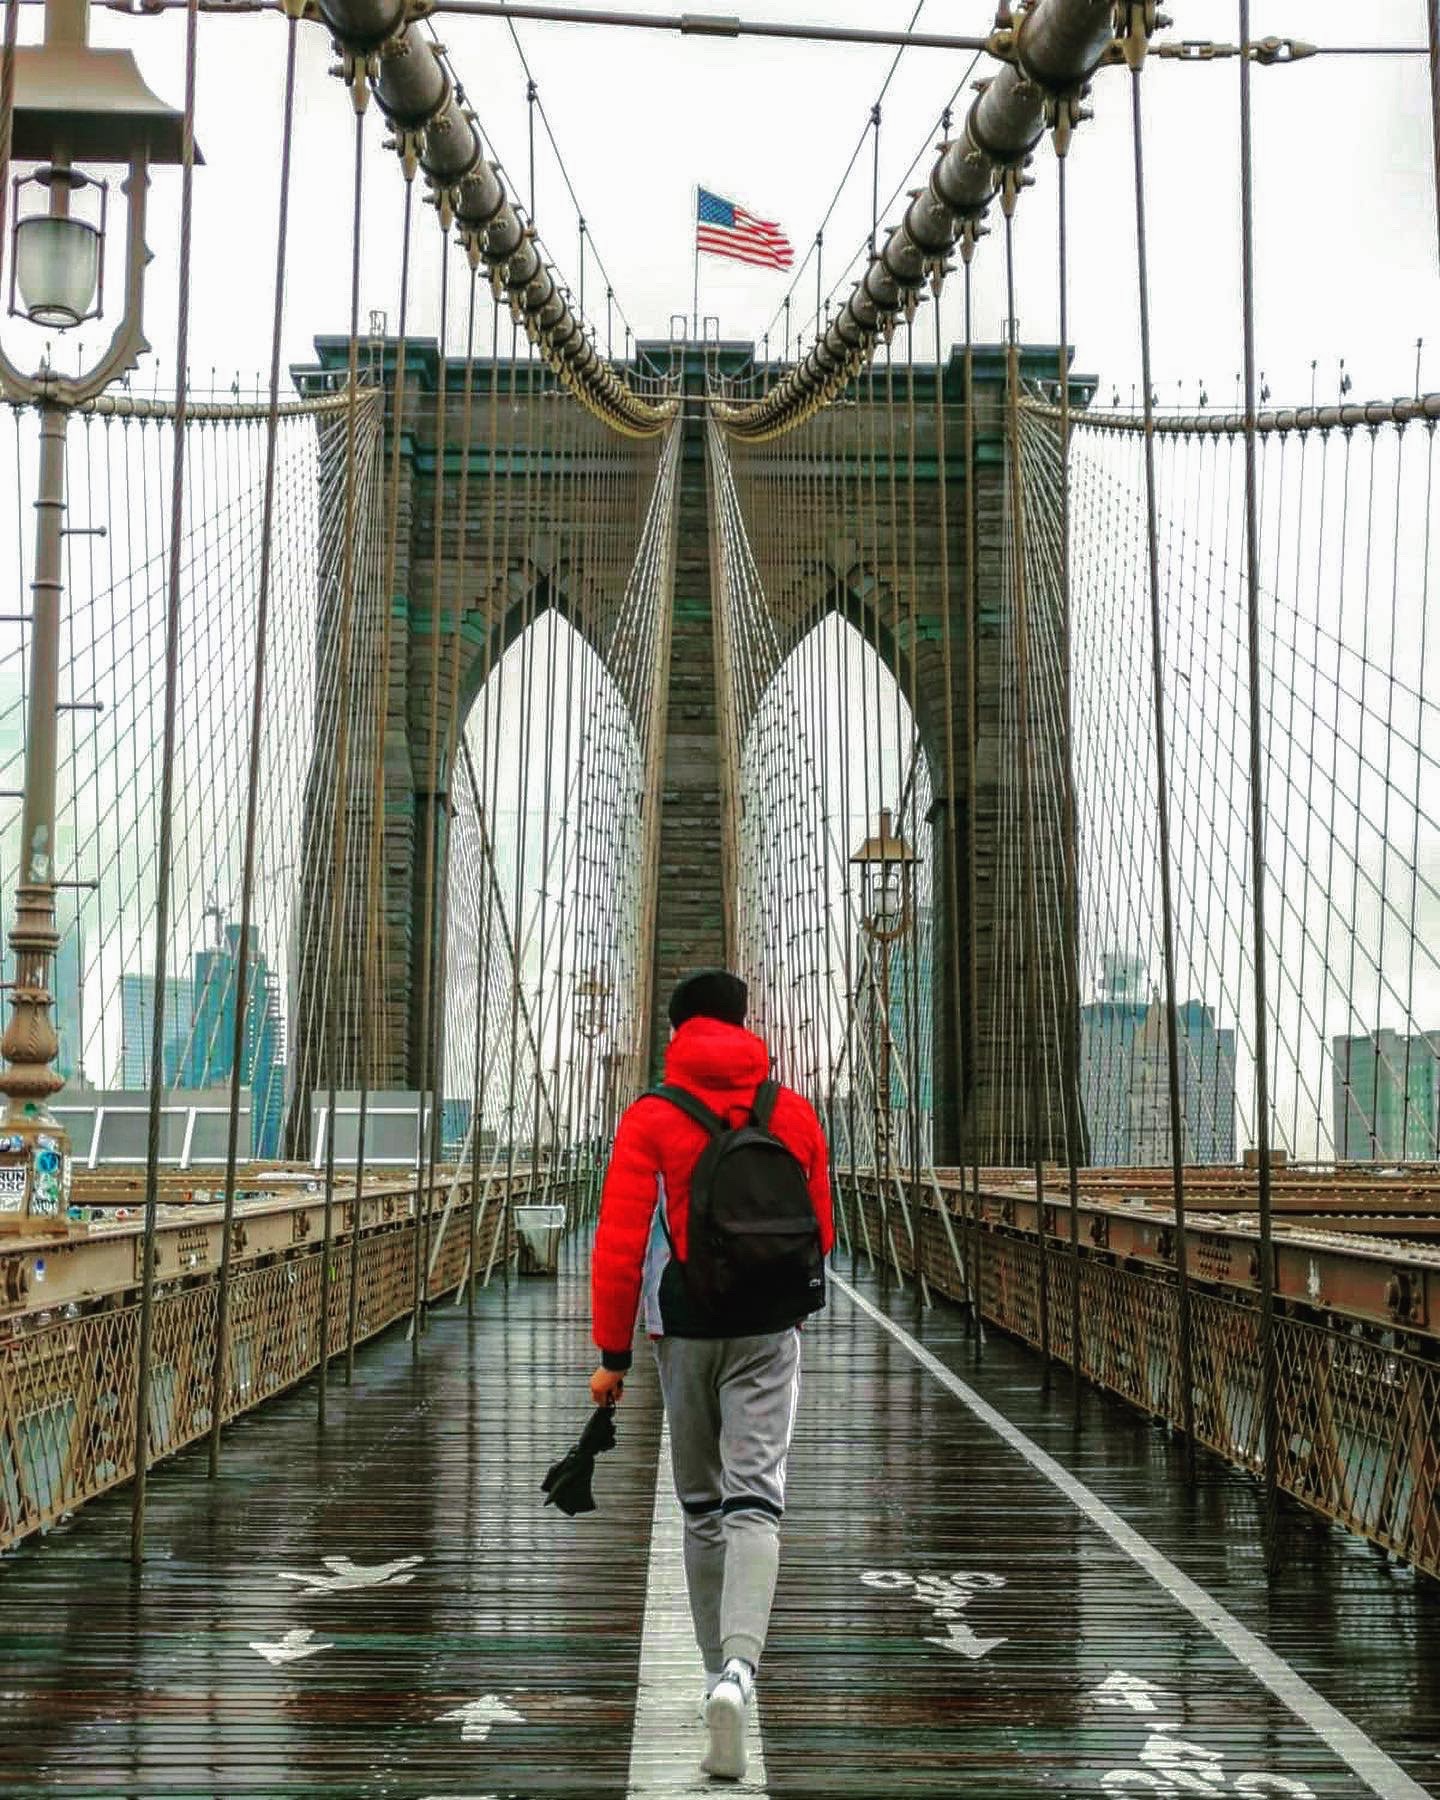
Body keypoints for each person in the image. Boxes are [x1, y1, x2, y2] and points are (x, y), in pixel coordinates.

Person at [589, 968, 833, 1782]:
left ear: (676, 1031)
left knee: (701, 1506)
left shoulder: (652, 1117)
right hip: (769, 1328)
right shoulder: (792, 1112)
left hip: (684, 1329)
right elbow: (821, 1232)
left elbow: (621, 1248)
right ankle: (740, 1672)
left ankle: (708, 1675)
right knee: (756, 1495)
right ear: (744, 1025)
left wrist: (611, 1358)